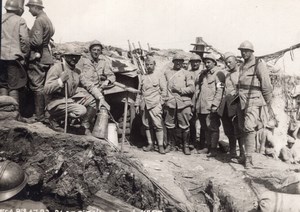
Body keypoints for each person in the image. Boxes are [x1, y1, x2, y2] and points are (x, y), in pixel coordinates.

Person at [44, 47, 102, 133]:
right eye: (71, 56)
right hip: (56, 101)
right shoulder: (57, 68)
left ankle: (84, 126)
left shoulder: (77, 71)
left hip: (69, 99)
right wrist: (60, 81)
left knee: (93, 100)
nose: (74, 58)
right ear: (65, 56)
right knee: (81, 110)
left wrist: (100, 97)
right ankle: (53, 118)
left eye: (77, 56)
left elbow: (88, 84)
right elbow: (46, 89)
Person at [236, 40, 273, 168]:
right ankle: (243, 155)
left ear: (252, 52)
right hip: (241, 99)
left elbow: (266, 85)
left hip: (253, 99)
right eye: (241, 51)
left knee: (249, 127)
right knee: (241, 127)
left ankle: (249, 159)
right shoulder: (242, 65)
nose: (243, 53)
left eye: (246, 51)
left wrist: (268, 104)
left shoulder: (259, 64)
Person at [75, 40, 116, 134]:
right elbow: (79, 76)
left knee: (103, 107)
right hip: (83, 90)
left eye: (98, 50)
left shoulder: (103, 62)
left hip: (97, 90)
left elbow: (111, 76)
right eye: (94, 50)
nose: (96, 52)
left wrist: (107, 81)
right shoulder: (83, 61)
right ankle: (85, 126)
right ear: (90, 50)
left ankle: (91, 127)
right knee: (94, 100)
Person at [26, 0, 55, 122]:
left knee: (37, 86)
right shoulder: (47, 19)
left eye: (30, 7)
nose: (28, 10)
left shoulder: (39, 20)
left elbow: (37, 42)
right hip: (47, 56)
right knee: (44, 86)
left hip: (39, 57)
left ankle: (39, 116)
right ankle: (46, 114)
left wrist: (26, 39)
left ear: (35, 7)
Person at [0, 0, 30, 107]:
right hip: (13, 59)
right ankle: (13, 112)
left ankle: (3, 111)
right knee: (14, 86)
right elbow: (25, 40)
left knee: (2, 84)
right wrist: (24, 55)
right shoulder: (20, 20)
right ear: (18, 9)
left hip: (1, 59)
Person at [164, 54, 195, 155]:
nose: (178, 63)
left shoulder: (187, 74)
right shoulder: (167, 73)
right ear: (173, 62)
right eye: (176, 61)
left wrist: (180, 90)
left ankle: (185, 146)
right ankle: (170, 144)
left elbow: (191, 88)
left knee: (185, 125)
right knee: (169, 125)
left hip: (183, 103)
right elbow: (164, 87)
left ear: (183, 62)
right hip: (171, 102)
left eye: (180, 61)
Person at [135, 56, 167, 154]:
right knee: (146, 125)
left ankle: (160, 146)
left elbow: (164, 90)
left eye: (151, 64)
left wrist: (160, 102)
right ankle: (150, 144)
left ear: (154, 65)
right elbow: (139, 92)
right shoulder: (143, 77)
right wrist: (137, 104)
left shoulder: (159, 75)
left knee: (158, 125)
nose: (149, 66)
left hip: (155, 104)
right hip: (144, 104)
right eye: (147, 64)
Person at [195, 54, 225, 157]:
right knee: (205, 128)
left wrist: (215, 105)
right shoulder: (203, 74)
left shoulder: (219, 74)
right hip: (202, 105)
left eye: (209, 62)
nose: (206, 64)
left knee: (213, 128)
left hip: (211, 106)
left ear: (214, 63)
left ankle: (213, 149)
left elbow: (220, 91)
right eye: (205, 62)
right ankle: (207, 147)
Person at [218, 52, 244, 160]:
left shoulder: (241, 73)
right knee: (228, 129)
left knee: (238, 129)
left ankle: (242, 154)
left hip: (236, 103)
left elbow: (242, 90)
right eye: (226, 62)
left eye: (230, 62)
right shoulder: (227, 74)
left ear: (236, 62)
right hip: (226, 103)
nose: (228, 64)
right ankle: (232, 152)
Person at [188, 54, 204, 152]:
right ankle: (192, 142)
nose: (195, 63)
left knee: (202, 122)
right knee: (191, 121)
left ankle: (202, 143)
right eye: (193, 62)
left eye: (197, 62)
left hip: (201, 99)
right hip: (190, 99)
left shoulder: (203, 73)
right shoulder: (187, 73)